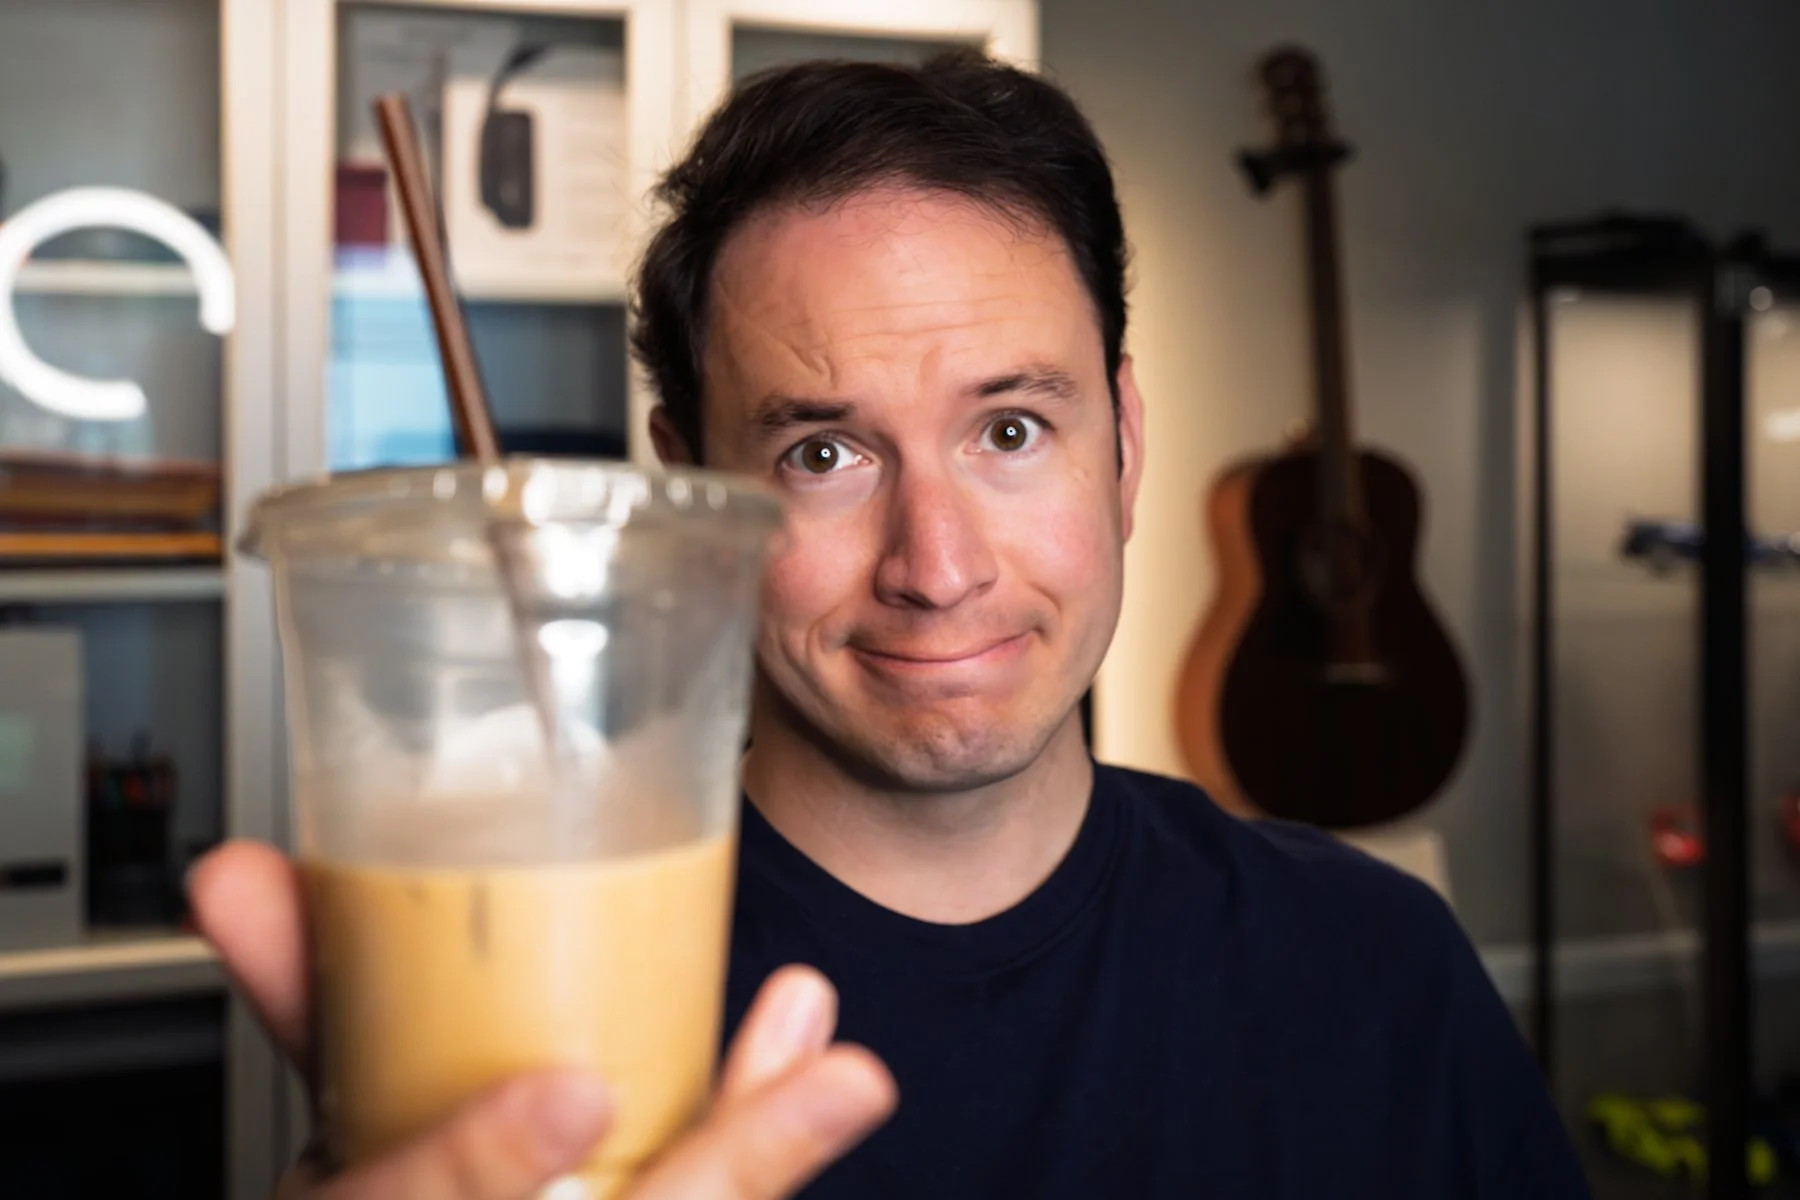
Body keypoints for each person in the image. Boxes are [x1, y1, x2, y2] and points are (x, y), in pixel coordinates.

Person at [192, 50, 1592, 1199]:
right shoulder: (524, 1019)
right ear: (692, 493)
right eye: (823, 454)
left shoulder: (1376, 963)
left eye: (1011, 428)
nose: (936, 565)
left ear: (1126, 449)